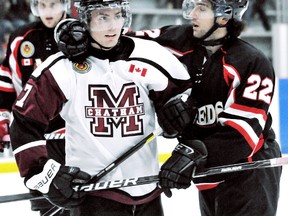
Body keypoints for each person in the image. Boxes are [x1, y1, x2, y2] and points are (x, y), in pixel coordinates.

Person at [55, 0, 282, 215]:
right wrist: (77, 33)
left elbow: (243, 134)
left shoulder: (252, 62)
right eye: (191, 6)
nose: (192, 14)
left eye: (201, 8)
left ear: (224, 17)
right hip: (208, 170)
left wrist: (193, 155)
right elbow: (122, 39)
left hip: (248, 171)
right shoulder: (179, 39)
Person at [10, 0, 195, 215]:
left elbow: (186, 103)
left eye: (118, 16)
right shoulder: (63, 67)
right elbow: (24, 121)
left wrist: (189, 149)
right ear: (86, 20)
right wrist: (45, 175)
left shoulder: (152, 56)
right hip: (93, 195)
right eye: (103, 18)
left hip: (147, 192)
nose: (112, 26)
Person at [0, 0, 72, 215]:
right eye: (42, 5)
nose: (47, 11)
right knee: (49, 207)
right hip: (37, 137)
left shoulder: (79, 34)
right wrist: (2, 117)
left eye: (52, 5)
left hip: (77, 137)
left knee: (83, 202)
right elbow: (6, 80)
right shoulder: (23, 38)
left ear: (64, 4)